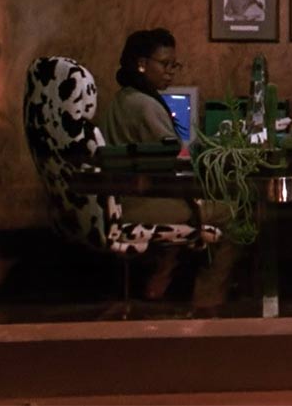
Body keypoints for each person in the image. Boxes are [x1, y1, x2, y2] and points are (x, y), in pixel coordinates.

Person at [100, 28, 240, 313]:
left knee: (191, 204)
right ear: (141, 64)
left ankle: (163, 273)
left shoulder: (121, 100)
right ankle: (208, 300)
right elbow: (175, 161)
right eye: (165, 64)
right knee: (235, 212)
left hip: (121, 202)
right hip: (141, 204)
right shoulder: (145, 105)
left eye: (174, 65)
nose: (170, 72)